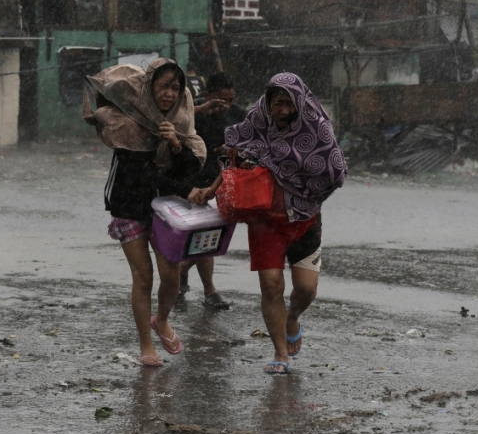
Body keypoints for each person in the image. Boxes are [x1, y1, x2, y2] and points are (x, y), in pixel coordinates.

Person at [192, 72, 346, 375]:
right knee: (271, 286)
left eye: (290, 104)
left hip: (305, 220)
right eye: (278, 103)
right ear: (268, 103)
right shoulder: (257, 124)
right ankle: (279, 353)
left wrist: (304, 187)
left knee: (306, 290)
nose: (284, 110)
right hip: (265, 223)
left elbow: (335, 171)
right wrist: (211, 190)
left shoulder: (318, 132)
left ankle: (292, 318)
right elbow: (235, 161)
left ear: (300, 104)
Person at [83, 58, 206, 368]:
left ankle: (161, 319)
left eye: (175, 88)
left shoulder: (178, 120)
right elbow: (142, 175)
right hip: (129, 205)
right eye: (163, 86)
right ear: (149, 87)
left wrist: (175, 144)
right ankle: (146, 346)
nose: (168, 93)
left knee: (171, 275)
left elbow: (192, 168)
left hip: (165, 210)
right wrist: (182, 189)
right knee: (143, 278)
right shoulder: (126, 119)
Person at [179, 72, 247, 309]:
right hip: (198, 183)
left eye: (229, 99)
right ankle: (210, 290)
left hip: (226, 183)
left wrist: (232, 151)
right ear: (207, 95)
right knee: (205, 236)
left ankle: (181, 269)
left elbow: (250, 146)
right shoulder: (193, 115)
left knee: (214, 237)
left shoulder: (239, 115)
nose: (225, 105)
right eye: (221, 99)